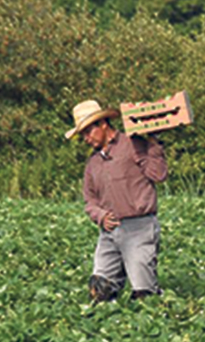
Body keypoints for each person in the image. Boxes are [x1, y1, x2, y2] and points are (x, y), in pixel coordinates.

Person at [67, 99, 169, 302]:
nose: (86, 138)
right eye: (83, 135)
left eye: (88, 132)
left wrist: (153, 144)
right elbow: (89, 201)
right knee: (100, 289)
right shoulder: (92, 164)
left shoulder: (133, 144)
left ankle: (158, 322)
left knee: (144, 295)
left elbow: (158, 175)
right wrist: (100, 215)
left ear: (103, 124)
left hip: (139, 228)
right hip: (109, 232)